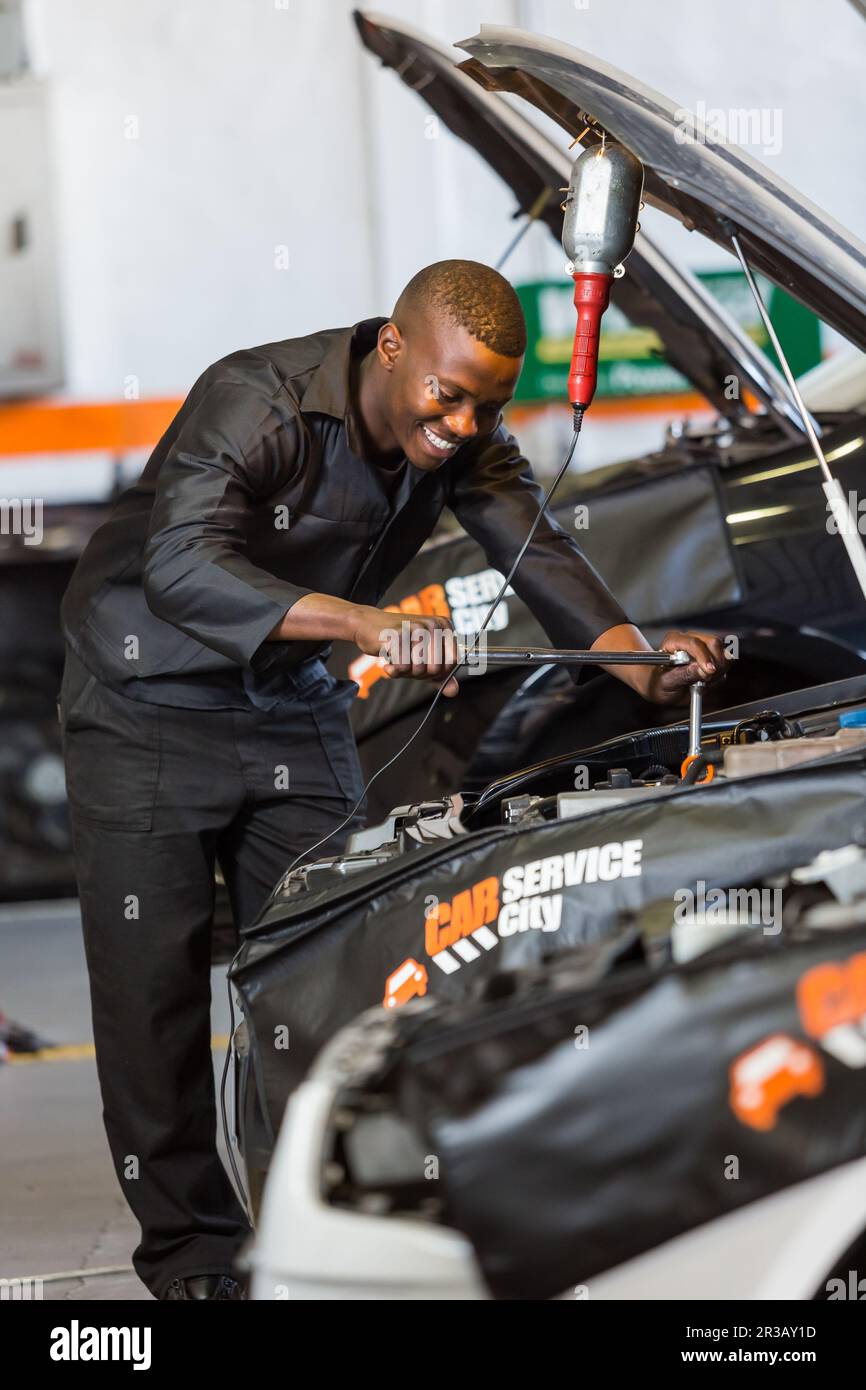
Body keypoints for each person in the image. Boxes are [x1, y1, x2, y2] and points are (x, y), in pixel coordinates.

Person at [58, 259, 726, 1300]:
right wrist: (368, 623)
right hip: (147, 704)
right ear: (391, 346)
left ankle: (324, 1227)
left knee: (346, 959)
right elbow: (181, 567)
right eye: (447, 395)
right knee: (155, 997)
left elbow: (535, 548)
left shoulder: (464, 441)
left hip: (286, 698)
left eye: (487, 405)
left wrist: (634, 656)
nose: (462, 423)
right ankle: (192, 1259)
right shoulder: (257, 399)